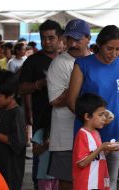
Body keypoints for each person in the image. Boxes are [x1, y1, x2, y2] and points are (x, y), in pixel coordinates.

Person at [68, 25, 119, 190]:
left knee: (110, 181)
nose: (113, 54)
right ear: (99, 44)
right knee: (87, 179)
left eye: (118, 49)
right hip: (88, 136)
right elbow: (72, 101)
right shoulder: (82, 65)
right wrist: (91, 124)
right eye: (109, 49)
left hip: (115, 132)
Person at [19, 19, 63, 190]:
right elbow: (22, 88)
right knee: (42, 168)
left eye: (51, 38)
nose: (47, 42)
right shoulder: (33, 61)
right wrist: (40, 84)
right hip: (42, 119)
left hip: (66, 119)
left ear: (60, 38)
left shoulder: (68, 59)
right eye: (43, 38)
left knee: (63, 170)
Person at [46, 18, 91, 189]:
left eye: (77, 39)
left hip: (90, 132)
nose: (72, 43)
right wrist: (75, 86)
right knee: (67, 180)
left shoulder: (95, 61)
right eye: (69, 39)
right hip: (65, 136)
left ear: (88, 38)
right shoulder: (59, 64)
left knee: (88, 178)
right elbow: (55, 101)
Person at [73, 93, 119, 190]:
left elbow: (97, 157)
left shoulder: (96, 133)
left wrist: (108, 149)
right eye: (100, 115)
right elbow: (82, 163)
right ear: (87, 116)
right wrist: (101, 148)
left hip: (98, 182)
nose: (104, 118)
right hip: (88, 184)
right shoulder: (82, 134)